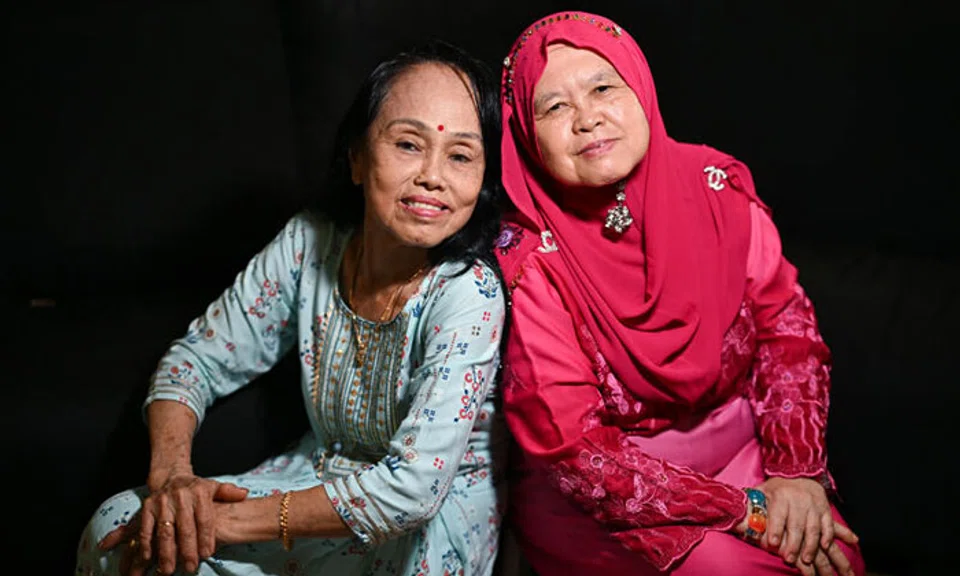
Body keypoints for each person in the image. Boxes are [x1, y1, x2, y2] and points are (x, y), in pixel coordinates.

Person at [75, 39, 508, 576]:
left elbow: (410, 493)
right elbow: (194, 361)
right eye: (407, 144)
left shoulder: (469, 293)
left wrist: (217, 524)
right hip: (313, 481)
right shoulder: (311, 243)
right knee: (120, 531)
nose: (433, 176)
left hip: (423, 527)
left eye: (461, 156)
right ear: (356, 157)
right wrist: (174, 486)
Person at [493, 11, 866, 576]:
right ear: (525, 131)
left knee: (837, 561)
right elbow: (574, 450)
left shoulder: (718, 189)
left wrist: (795, 474)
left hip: (748, 458)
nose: (588, 119)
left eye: (603, 88)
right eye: (555, 107)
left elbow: (787, 332)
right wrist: (746, 511)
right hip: (613, 497)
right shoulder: (530, 258)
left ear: (640, 87)